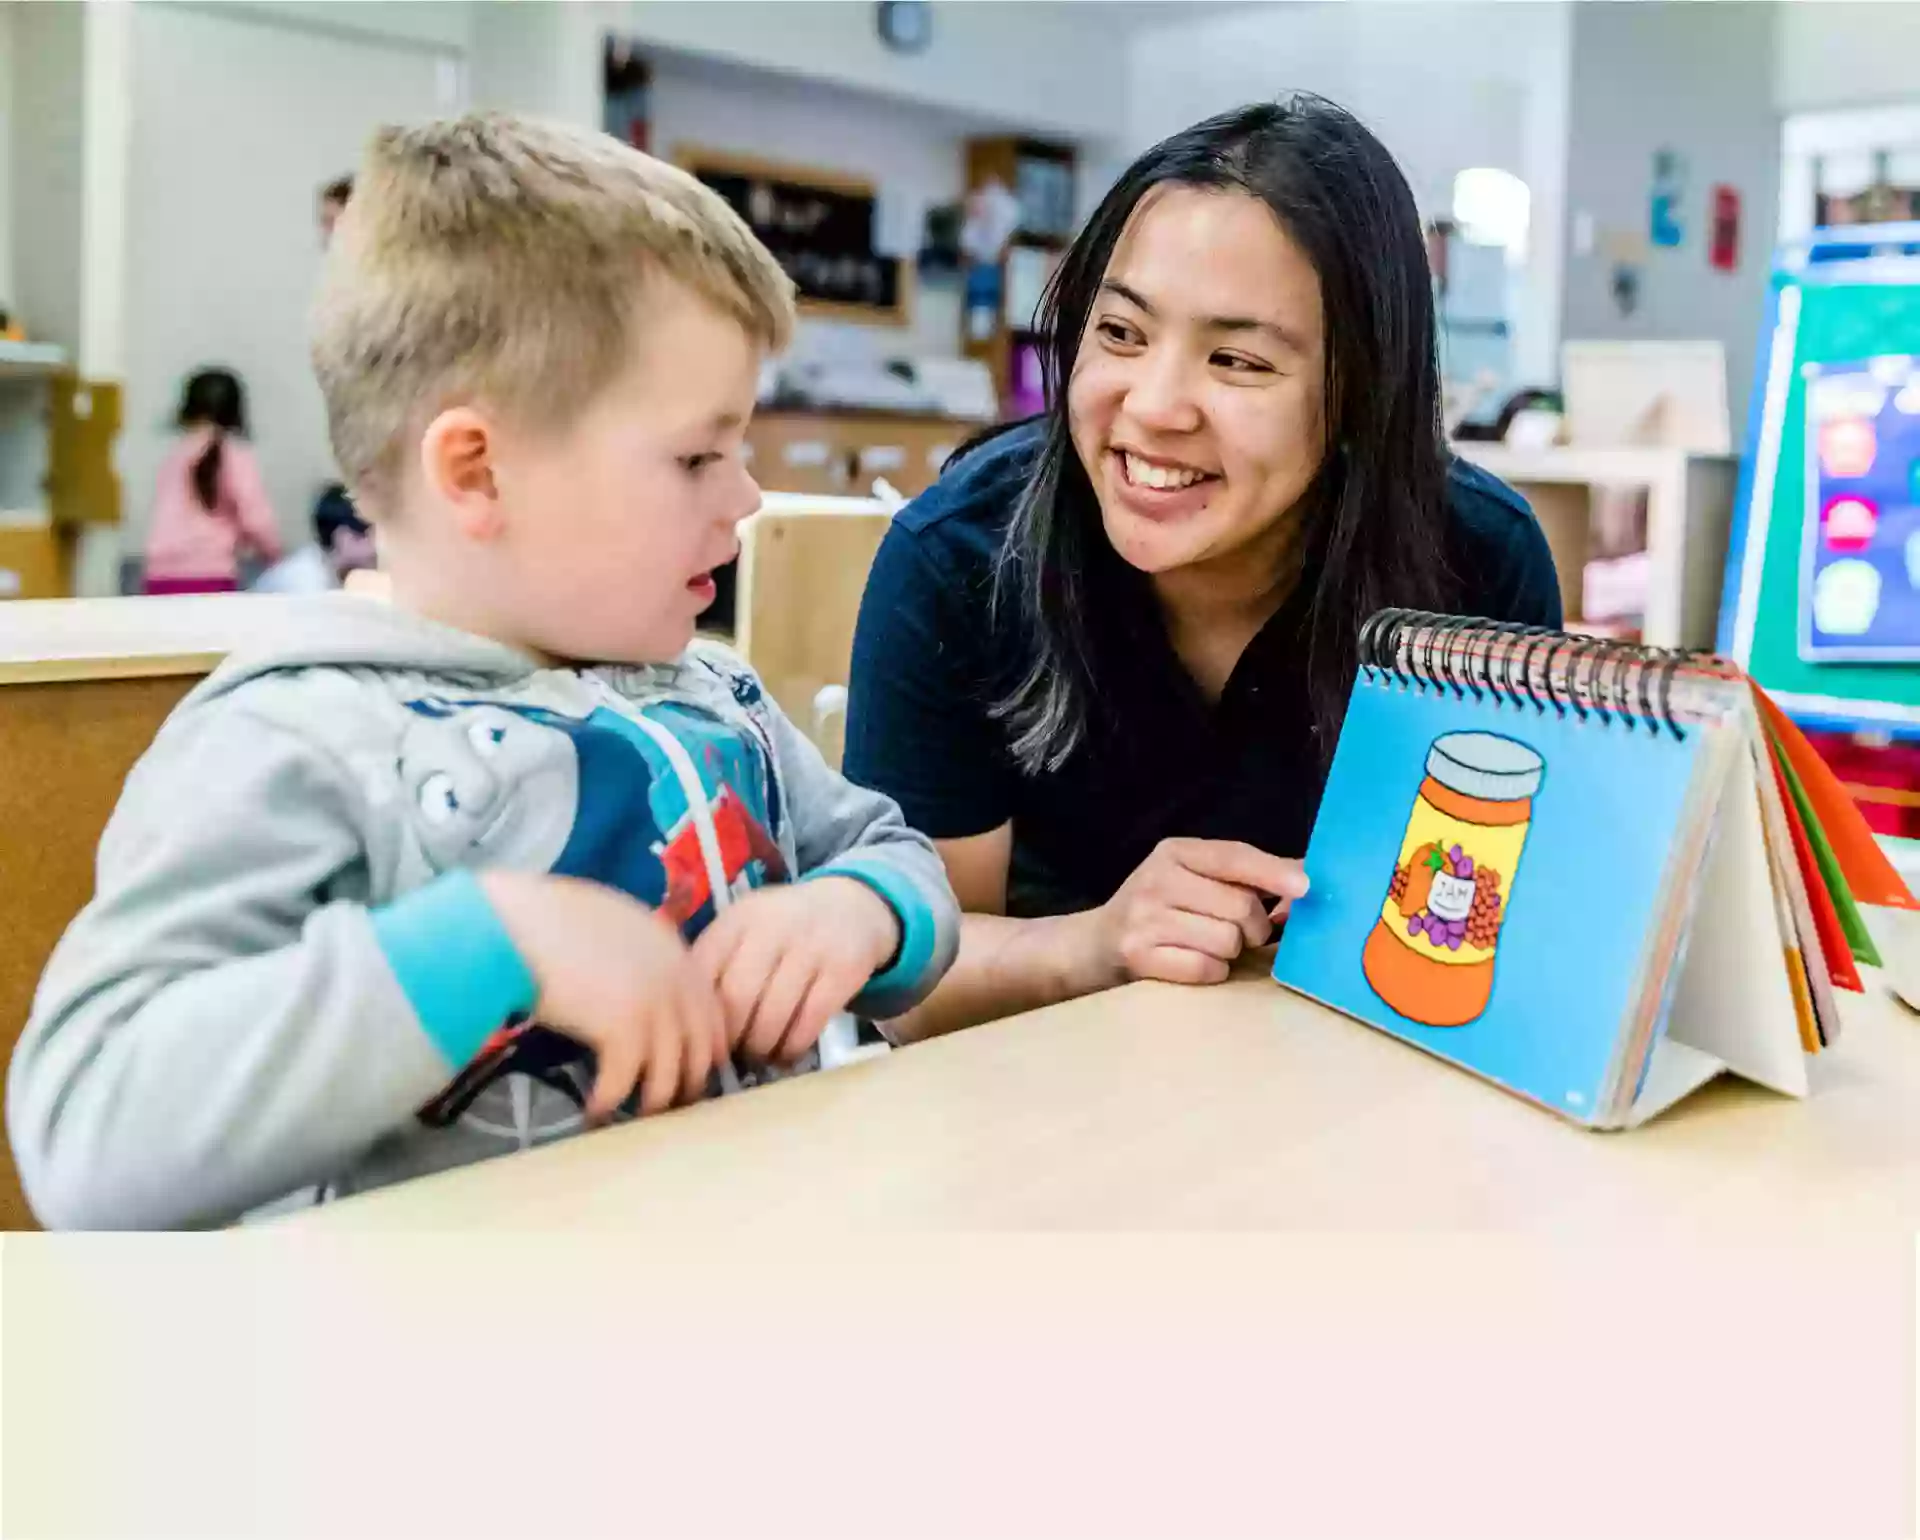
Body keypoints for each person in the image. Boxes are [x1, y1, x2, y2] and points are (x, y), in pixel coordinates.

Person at [10, 113, 959, 1229]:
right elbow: (87, 1127)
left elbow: (897, 857)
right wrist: (483, 944)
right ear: (476, 469)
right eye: (700, 455)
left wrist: (862, 913)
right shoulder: (296, 736)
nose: (745, 498)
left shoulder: (717, 695)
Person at [845, 99, 1561, 1041]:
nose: (1152, 406)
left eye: (1235, 359)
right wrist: (1096, 945)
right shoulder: (961, 559)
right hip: (1037, 1098)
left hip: (1350, 1093)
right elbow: (906, 995)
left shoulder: (1472, 563)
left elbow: (1492, 933)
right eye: (1121, 335)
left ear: (1358, 392)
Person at [141, 367, 284, 595]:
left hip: (159, 576)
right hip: (210, 574)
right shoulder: (233, 455)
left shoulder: (177, 454)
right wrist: (275, 555)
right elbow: (256, 518)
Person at [251, 485, 379, 593]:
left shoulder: (328, 566)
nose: (376, 544)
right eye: (367, 533)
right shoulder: (305, 581)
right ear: (341, 536)